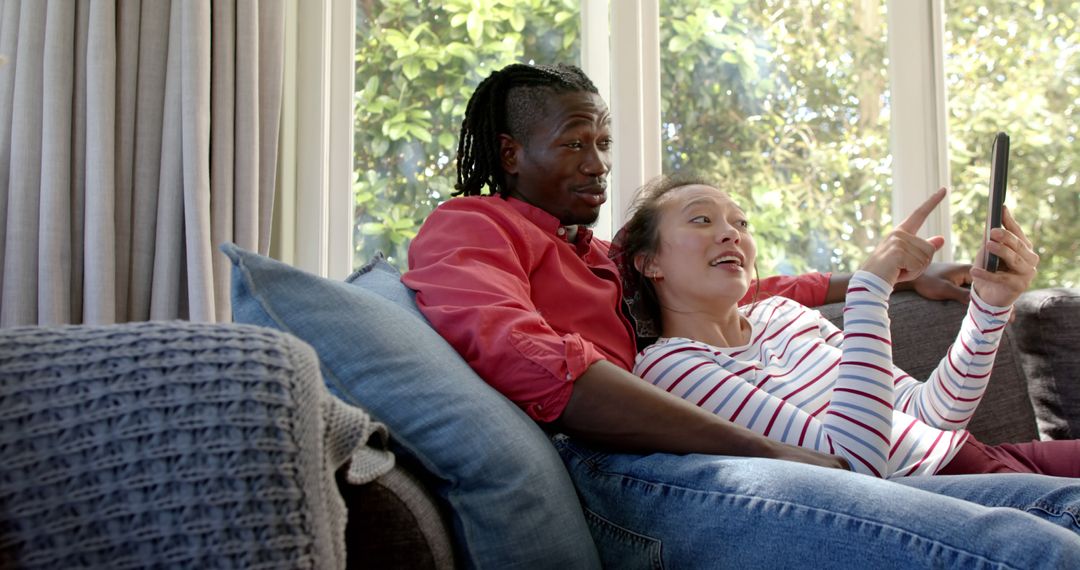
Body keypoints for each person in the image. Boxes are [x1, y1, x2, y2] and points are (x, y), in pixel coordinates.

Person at [402, 62, 1080, 567]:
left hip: (905, 455)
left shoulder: (600, 255)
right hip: (628, 463)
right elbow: (526, 356)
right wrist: (775, 453)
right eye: (576, 142)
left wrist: (900, 279)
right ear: (511, 152)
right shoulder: (471, 225)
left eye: (604, 144)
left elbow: (748, 289)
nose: (598, 164)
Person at [614, 173, 1079, 477]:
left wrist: (990, 307)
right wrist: (868, 290)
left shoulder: (784, 315)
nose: (731, 232)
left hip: (981, 456)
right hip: (946, 493)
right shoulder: (670, 369)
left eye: (741, 222)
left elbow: (933, 414)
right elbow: (855, 468)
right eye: (701, 219)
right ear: (650, 262)